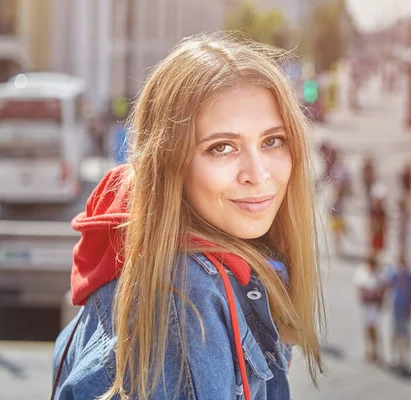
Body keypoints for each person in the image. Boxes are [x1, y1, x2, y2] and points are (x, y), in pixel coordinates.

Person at [51, 33, 325, 399]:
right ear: (169, 163)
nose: (257, 174)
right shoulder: (182, 304)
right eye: (222, 147)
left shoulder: (194, 274)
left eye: (272, 141)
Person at [354, 257, 386, 363]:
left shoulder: (380, 274)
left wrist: (381, 301)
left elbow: (383, 288)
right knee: (367, 328)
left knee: (374, 328)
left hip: (374, 305)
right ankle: (369, 350)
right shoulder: (362, 272)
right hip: (366, 305)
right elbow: (359, 286)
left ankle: (375, 351)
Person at [388, 254, 411, 371]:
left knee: (405, 334)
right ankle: (395, 356)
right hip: (396, 306)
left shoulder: (410, 277)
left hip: (405, 307)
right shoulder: (394, 275)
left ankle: (405, 358)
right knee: (396, 333)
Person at [369, 184, 387, 259]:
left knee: (379, 248)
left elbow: (385, 223)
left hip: (380, 233)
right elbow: (371, 222)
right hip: (375, 233)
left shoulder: (382, 211)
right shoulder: (373, 211)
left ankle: (375, 259)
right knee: (374, 248)